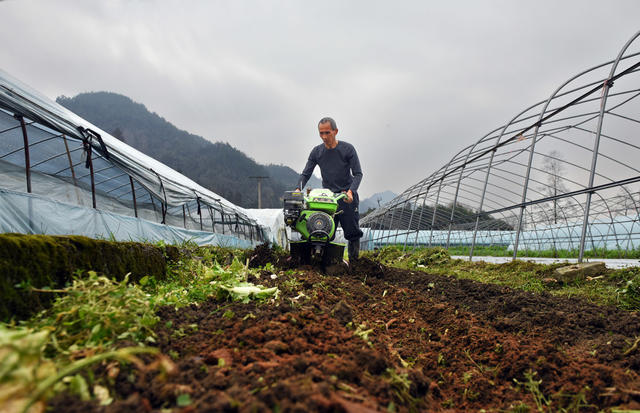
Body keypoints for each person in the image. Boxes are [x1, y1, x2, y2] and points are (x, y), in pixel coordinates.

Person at [297, 117, 363, 262]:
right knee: (323, 230)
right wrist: (297, 189)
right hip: (327, 199)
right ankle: (325, 265)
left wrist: (351, 191)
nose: (324, 137)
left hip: (346, 196)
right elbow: (306, 173)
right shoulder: (317, 152)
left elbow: (358, 174)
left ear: (336, 131)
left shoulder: (347, 149)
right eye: (321, 133)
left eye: (327, 133)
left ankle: (355, 265)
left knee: (352, 232)